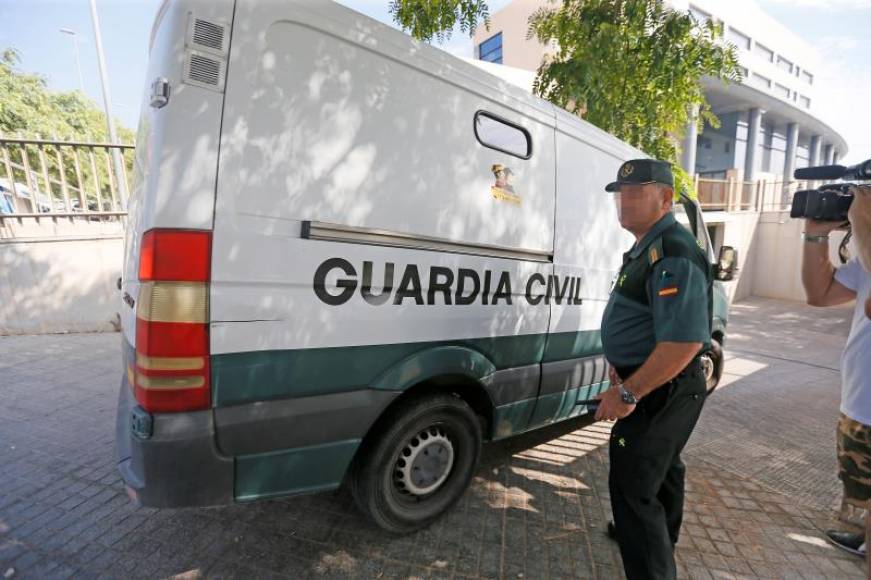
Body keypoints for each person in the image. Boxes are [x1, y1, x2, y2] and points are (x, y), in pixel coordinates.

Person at [595, 159, 713, 579]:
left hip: (660, 391)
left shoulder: (673, 252)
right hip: (658, 385)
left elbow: (683, 342)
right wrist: (624, 367)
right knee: (662, 472)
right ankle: (659, 538)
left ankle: (649, 552)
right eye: (621, 193)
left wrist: (628, 393)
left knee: (633, 487)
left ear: (665, 198)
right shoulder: (651, 246)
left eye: (635, 192)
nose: (624, 201)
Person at [802, 184, 871, 577]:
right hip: (860, 410)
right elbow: (820, 293)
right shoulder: (867, 257)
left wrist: (862, 219)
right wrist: (815, 235)